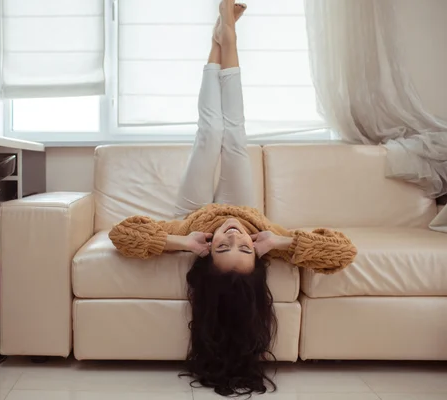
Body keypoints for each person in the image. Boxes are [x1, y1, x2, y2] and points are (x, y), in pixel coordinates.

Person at [108, 1, 358, 397]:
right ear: (257, 254)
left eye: (224, 245)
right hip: (246, 204)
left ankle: (217, 41)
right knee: (235, 133)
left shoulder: (192, 237)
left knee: (210, 134)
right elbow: (343, 252)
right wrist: (280, 241)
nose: (233, 234)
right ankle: (230, 37)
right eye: (243, 246)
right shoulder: (266, 239)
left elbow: (122, 235)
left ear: (208, 252)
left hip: (193, 213)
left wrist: (181, 240)